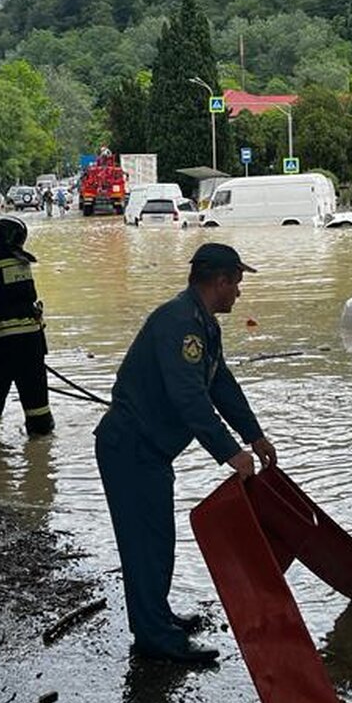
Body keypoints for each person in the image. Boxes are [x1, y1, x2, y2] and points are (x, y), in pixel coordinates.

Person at [94, 243, 277, 667]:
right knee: (145, 545)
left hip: (149, 452)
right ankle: (156, 639)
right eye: (238, 284)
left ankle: (157, 618)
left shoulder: (201, 322)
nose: (239, 294)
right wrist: (231, 452)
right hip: (131, 449)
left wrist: (255, 436)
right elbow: (188, 397)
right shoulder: (180, 323)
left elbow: (220, 384)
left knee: (158, 540)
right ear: (220, 281)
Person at [0, 215, 54, 440]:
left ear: (4, 238)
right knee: (37, 403)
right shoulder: (23, 261)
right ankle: (42, 448)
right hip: (32, 343)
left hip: (0, 346)